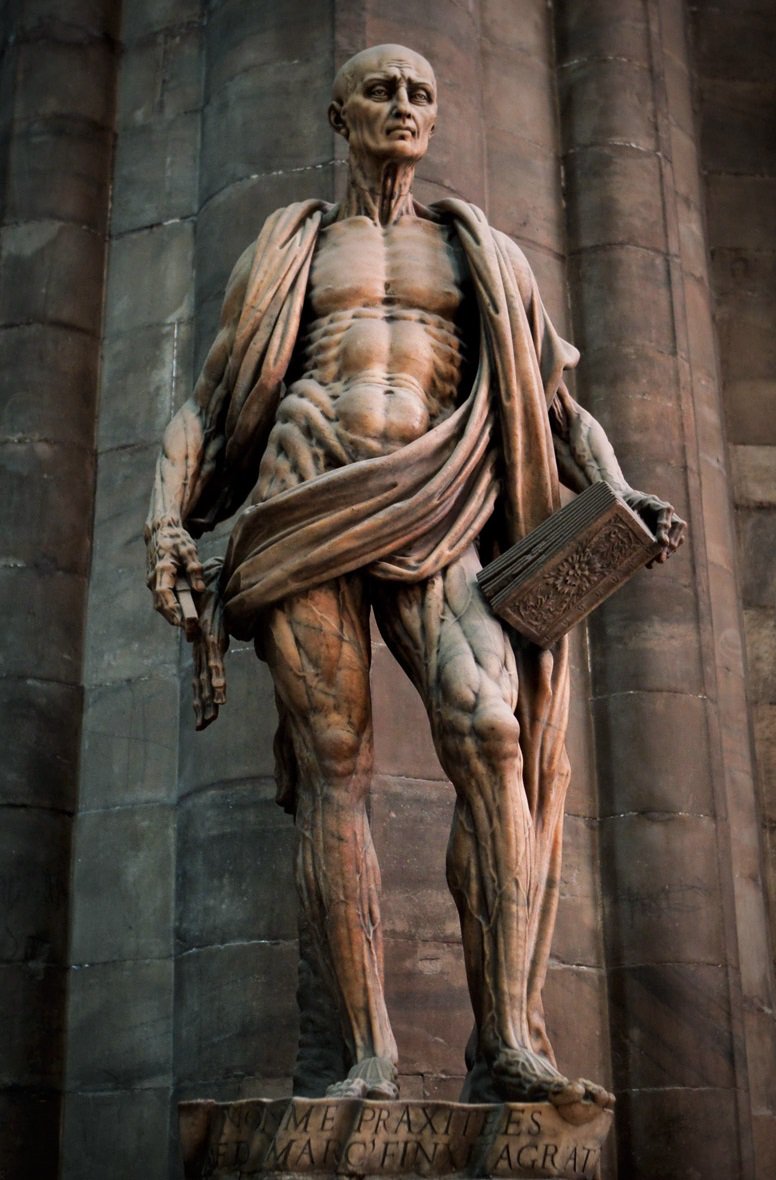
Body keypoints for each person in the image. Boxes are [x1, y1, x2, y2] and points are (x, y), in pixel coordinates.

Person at [145, 45, 685, 1112]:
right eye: (382, 91)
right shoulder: (294, 247)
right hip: (306, 497)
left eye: (421, 95)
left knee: (490, 731)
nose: (404, 107)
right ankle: (364, 1055)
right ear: (337, 114)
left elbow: (555, 408)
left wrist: (617, 491)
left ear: (436, 121)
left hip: (441, 500)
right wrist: (165, 519)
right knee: (334, 764)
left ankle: (507, 1039)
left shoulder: (476, 251)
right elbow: (207, 403)